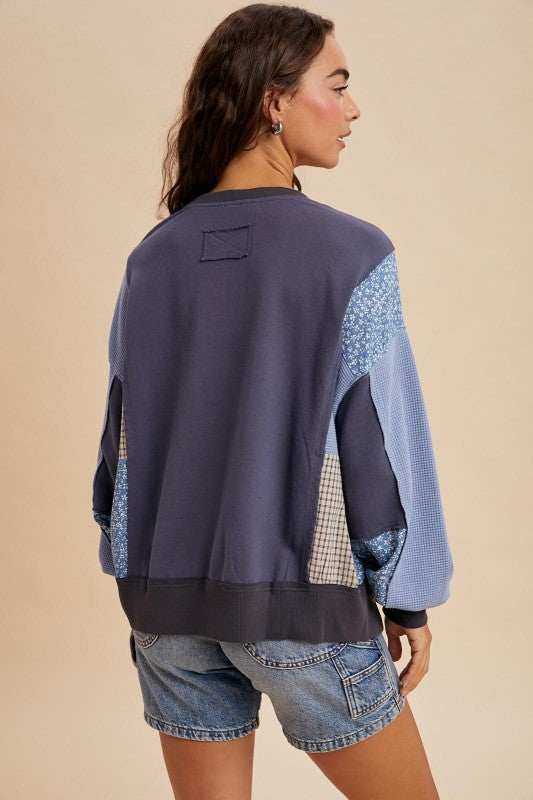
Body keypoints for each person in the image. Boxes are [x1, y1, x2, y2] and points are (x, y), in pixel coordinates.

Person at [91, 4, 454, 798]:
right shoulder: (352, 253)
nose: (352, 108)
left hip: (164, 609)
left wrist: (141, 572)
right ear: (273, 100)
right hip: (301, 605)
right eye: (337, 84)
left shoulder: (152, 258)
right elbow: (381, 444)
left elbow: (118, 450)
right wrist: (408, 599)